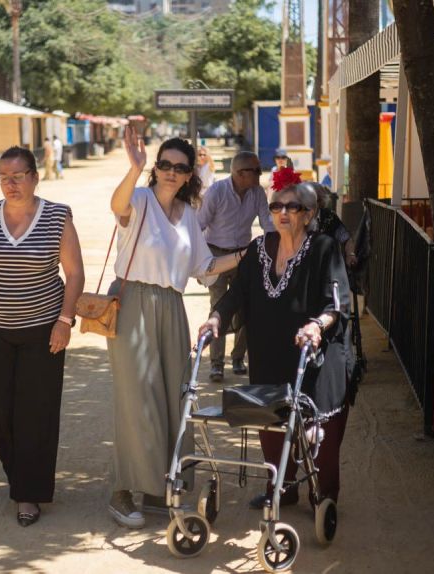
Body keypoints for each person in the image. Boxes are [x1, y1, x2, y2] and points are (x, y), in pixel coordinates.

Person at [106, 129, 246, 529]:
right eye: (163, 165)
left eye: (179, 167)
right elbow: (117, 206)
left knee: (174, 396)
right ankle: (123, 490)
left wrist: (245, 254)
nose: (170, 172)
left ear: (189, 175)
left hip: (172, 306)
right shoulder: (140, 198)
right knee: (137, 398)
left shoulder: (188, 218)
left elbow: (204, 268)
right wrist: (133, 170)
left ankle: (158, 487)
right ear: (156, 169)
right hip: (133, 301)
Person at [198, 182, 352, 509]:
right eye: (275, 206)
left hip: (314, 356)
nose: (281, 213)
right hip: (268, 353)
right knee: (270, 423)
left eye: (291, 207)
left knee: (316, 430)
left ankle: (324, 495)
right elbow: (236, 294)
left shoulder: (324, 249)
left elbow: (336, 304)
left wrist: (316, 325)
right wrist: (216, 319)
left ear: (308, 214)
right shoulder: (258, 249)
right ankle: (280, 489)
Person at [0, 146, 85, 528]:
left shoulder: (57, 216)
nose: (10, 184)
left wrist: (64, 320)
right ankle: (20, 479)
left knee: (37, 413)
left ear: (35, 176)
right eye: (3, 177)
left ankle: (28, 493)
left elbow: (75, 273)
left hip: (43, 329)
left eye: (17, 176)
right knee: (2, 414)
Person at [197, 151, 274, 382]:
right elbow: (198, 226)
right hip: (217, 256)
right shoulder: (217, 192)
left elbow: (267, 222)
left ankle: (238, 357)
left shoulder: (258, 192)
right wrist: (199, 263)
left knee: (247, 308)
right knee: (218, 308)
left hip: (244, 256)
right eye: (256, 170)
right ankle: (217, 364)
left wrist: (279, 246)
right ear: (241, 173)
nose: (260, 174)